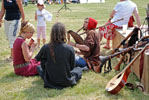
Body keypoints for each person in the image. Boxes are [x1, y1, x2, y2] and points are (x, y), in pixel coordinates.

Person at [35, 22, 83, 89]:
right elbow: (72, 67)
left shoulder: (46, 47)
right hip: (66, 80)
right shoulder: (70, 48)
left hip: (50, 81)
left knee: (39, 67)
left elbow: (36, 59)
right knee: (78, 70)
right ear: (63, 34)